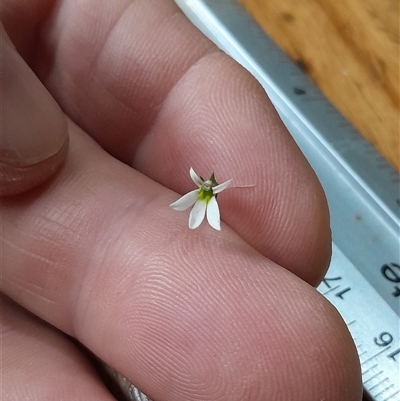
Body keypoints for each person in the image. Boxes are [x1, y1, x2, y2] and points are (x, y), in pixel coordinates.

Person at [1, 0, 362, 399]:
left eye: (207, 190)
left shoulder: (206, 196)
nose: (206, 192)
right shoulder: (200, 194)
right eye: (205, 190)